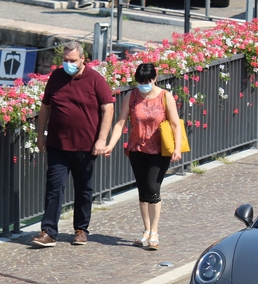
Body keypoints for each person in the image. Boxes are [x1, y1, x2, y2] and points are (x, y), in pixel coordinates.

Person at [31, 41, 114, 248]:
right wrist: (40, 135)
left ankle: (81, 229)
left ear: (82, 59)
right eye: (65, 60)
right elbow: (45, 108)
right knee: (54, 187)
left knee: (83, 188)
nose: (68, 63)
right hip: (58, 145)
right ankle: (48, 231)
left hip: (85, 146)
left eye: (72, 60)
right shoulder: (56, 77)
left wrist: (102, 140)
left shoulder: (95, 79)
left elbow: (108, 109)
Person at [104, 63, 183, 250]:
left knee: (152, 188)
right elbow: (121, 122)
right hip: (137, 149)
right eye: (140, 82)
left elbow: (175, 124)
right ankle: (146, 230)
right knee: (142, 190)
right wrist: (111, 144)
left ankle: (154, 231)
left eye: (146, 82)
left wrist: (177, 148)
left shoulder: (165, 96)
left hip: (159, 150)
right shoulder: (131, 97)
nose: (143, 85)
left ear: (155, 79)